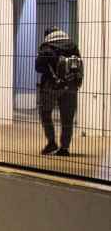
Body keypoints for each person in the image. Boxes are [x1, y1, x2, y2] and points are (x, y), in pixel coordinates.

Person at [35, 26, 83, 156]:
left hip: (51, 86)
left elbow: (38, 67)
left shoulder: (46, 47)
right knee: (67, 118)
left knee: (45, 113)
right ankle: (65, 148)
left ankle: (51, 143)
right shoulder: (72, 45)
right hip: (70, 86)